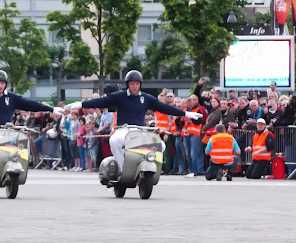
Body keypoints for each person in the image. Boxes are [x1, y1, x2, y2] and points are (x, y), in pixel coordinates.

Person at [69, 70, 202, 176]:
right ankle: (122, 170)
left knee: (161, 145)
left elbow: (165, 108)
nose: (134, 86)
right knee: (114, 141)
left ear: (140, 84)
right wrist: (81, 104)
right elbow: (101, 102)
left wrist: (186, 113)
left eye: (137, 84)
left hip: (140, 130)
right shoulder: (119, 96)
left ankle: (150, 167)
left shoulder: (146, 98)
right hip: (123, 129)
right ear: (128, 84)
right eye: (132, 84)